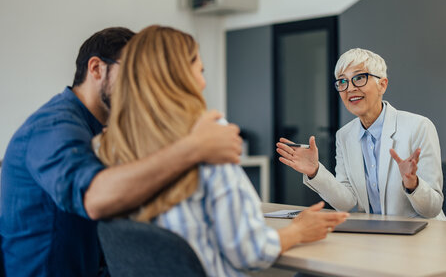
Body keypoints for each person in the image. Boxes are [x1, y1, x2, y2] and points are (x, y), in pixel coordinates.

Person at [94, 25, 349, 276]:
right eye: (200, 70)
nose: (203, 83)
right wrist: (298, 231)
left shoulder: (108, 145)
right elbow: (249, 252)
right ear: (180, 76)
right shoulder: (209, 136)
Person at [0, 27, 243, 277]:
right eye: (131, 74)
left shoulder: (103, 129)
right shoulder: (53, 127)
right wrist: (195, 147)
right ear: (96, 68)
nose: (141, 86)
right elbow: (94, 199)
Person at [276, 48, 446, 220]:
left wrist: (413, 184)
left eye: (359, 78)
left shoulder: (419, 127)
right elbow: (348, 203)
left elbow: (432, 208)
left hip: (422, 236)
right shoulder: (344, 135)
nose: (349, 88)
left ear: (382, 85)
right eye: (342, 81)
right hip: (375, 236)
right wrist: (315, 171)